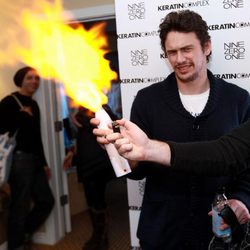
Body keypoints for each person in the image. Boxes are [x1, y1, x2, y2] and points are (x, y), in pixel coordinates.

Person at [94, 10, 250, 250]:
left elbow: (246, 163)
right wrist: (123, 153)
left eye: (187, 49)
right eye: (172, 52)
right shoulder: (147, 100)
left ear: (206, 47)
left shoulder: (238, 99)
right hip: (162, 232)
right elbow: (139, 171)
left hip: (219, 234)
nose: (179, 59)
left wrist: (242, 199)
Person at [0, 66, 55, 250]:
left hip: (36, 161)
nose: (34, 81)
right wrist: (20, 116)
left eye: (37, 78)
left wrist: (45, 163)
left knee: (46, 201)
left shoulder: (34, 104)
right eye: (30, 78)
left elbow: (36, 137)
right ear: (20, 80)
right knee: (20, 206)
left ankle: (22, 234)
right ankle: (15, 246)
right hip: (19, 161)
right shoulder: (9, 101)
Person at [63, 104, 117, 250]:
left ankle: (101, 238)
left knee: (98, 201)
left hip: (98, 164)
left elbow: (115, 125)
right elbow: (77, 135)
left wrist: (84, 120)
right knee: (91, 202)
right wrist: (72, 154)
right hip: (85, 163)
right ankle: (97, 235)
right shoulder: (79, 110)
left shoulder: (100, 106)